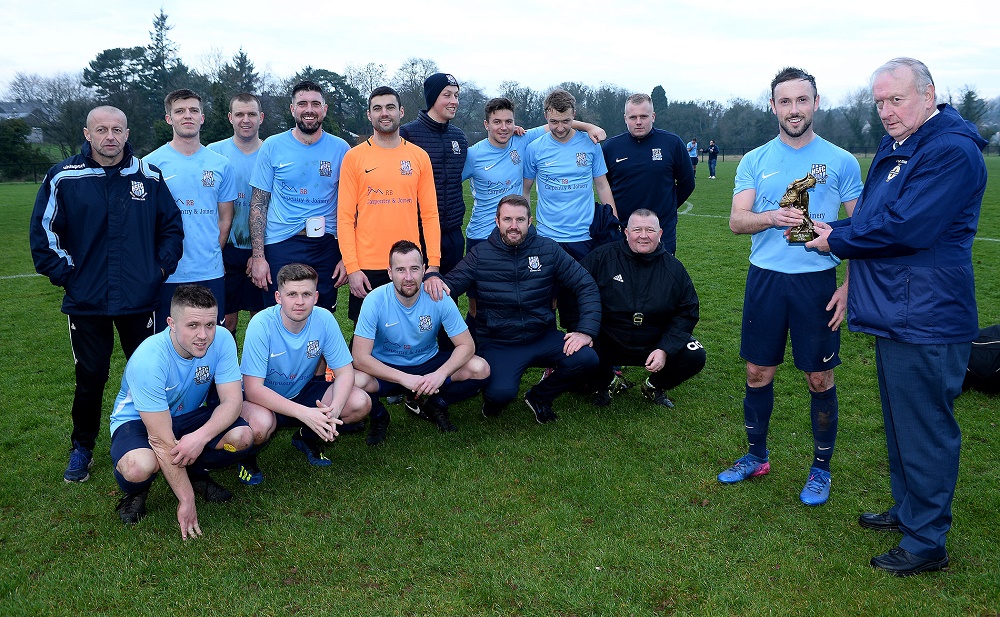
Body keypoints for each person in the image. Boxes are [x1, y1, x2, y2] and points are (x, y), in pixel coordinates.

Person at [808, 58, 987, 575]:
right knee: (900, 421)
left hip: (927, 313)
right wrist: (841, 229)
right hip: (894, 306)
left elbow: (908, 227)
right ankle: (909, 511)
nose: (886, 111)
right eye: (880, 102)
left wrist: (836, 239)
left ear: (929, 96)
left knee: (926, 426)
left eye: (897, 100)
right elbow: (874, 214)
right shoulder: (898, 145)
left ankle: (927, 540)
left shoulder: (950, 151)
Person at [719, 67, 862, 507]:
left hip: (817, 284)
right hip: (766, 279)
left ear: (816, 103)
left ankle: (821, 469)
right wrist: (770, 217)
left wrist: (848, 286)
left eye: (802, 100)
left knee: (818, 377)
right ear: (773, 106)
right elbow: (736, 220)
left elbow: (864, 229)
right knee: (757, 372)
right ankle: (756, 456)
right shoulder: (755, 160)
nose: (794, 109)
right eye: (785, 101)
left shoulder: (842, 160)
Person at [30, 105, 184, 483]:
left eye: (117, 129)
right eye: (101, 130)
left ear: (127, 133)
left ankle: (163, 441)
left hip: (139, 300)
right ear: (87, 133)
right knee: (91, 376)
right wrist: (70, 276)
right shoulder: (64, 177)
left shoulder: (147, 176)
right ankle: (82, 448)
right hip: (87, 302)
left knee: (149, 373)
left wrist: (157, 272)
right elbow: (44, 234)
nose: (110, 137)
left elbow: (172, 229)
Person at [425, 195, 601, 423]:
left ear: (530, 221)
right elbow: (448, 288)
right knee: (501, 394)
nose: (514, 226)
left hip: (542, 335)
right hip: (500, 342)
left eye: (520, 220)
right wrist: (432, 280)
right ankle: (493, 400)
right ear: (497, 221)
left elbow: (585, 284)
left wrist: (586, 331)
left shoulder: (548, 250)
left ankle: (539, 397)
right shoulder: (480, 255)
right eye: (507, 219)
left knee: (587, 358)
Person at [108, 284, 253, 537]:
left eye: (209, 325)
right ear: (171, 323)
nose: (204, 335)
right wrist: (186, 501)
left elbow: (232, 402)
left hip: (187, 417)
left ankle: (195, 473)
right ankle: (139, 490)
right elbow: (161, 440)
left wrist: (199, 437)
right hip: (139, 422)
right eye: (193, 325)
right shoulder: (150, 359)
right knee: (139, 466)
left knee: (242, 438)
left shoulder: (223, 339)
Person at [463, 97, 605, 315]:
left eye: (508, 121)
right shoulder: (473, 154)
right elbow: (448, 184)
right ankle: (474, 347)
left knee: (518, 297)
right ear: (486, 124)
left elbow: (558, 123)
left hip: (515, 233)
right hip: (482, 234)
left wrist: (589, 126)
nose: (503, 127)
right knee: (477, 303)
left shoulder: (522, 140)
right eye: (497, 122)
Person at [239, 264, 373, 480]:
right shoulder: (261, 324)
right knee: (260, 426)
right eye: (292, 294)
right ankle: (246, 457)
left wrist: (334, 412)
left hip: (301, 392)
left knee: (360, 402)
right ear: (278, 297)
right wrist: (305, 414)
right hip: (261, 400)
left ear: (316, 296)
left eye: (306, 294)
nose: (300, 301)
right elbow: (254, 390)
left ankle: (306, 437)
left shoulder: (324, 319)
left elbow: (346, 372)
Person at [352, 241, 490, 444]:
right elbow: (360, 357)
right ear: (390, 272)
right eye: (400, 270)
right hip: (387, 368)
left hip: (428, 363)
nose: (408, 277)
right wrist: (403, 379)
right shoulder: (375, 300)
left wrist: (440, 374)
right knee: (353, 382)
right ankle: (380, 416)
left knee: (480, 368)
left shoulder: (437, 296)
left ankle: (436, 403)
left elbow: (467, 345)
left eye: (414, 269)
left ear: (424, 270)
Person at [580, 209, 705, 408]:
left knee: (695, 354)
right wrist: (583, 331)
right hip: (609, 338)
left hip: (653, 342)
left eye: (650, 230)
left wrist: (665, 348)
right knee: (576, 351)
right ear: (626, 232)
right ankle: (607, 382)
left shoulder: (674, 269)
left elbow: (687, 311)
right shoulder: (601, 258)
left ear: (660, 234)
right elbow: (576, 294)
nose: (644, 236)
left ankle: (654, 386)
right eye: (637, 229)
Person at [338, 86, 440, 323]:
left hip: (408, 263)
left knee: (410, 331)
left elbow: (430, 214)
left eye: (390, 107)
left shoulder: (419, 156)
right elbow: (344, 217)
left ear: (401, 112)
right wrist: (352, 268)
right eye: (377, 108)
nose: (384, 113)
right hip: (367, 265)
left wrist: (432, 264)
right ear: (369, 115)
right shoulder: (354, 157)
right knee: (367, 340)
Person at [248, 80, 351, 313]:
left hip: (325, 245)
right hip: (281, 243)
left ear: (324, 109)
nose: (309, 109)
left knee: (322, 316)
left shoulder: (341, 149)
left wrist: (347, 258)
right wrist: (258, 257)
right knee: (279, 314)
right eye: (302, 103)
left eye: (316, 104)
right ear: (292, 109)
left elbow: (351, 207)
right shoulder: (273, 146)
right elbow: (258, 205)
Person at [145, 89, 236, 331]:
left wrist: (212, 253)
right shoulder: (150, 164)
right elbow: (147, 221)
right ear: (169, 119)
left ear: (202, 117)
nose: (188, 116)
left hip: (210, 271)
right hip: (169, 272)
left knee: (209, 338)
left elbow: (225, 218)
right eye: (180, 111)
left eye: (194, 110)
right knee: (168, 341)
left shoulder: (220, 164)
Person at [522, 89, 616, 260]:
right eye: (554, 122)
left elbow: (602, 186)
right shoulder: (534, 148)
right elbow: (525, 190)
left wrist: (614, 222)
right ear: (545, 116)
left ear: (574, 114)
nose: (560, 127)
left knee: (584, 286)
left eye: (566, 121)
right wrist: (526, 225)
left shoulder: (591, 144)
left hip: (585, 235)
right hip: (547, 236)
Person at [602, 93, 695, 255]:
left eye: (643, 116)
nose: (638, 122)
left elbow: (687, 183)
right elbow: (605, 187)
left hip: (661, 230)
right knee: (623, 279)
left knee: (662, 279)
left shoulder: (672, 143)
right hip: (623, 232)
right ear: (625, 118)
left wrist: (667, 208)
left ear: (653, 116)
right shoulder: (610, 147)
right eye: (633, 117)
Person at [207, 92, 266, 334]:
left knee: (260, 321)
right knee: (224, 322)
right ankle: (226, 372)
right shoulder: (213, 152)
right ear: (230, 117)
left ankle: (256, 371)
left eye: (251, 114)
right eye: (240, 114)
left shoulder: (271, 151)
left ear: (261, 117)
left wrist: (258, 252)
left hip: (262, 249)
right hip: (225, 248)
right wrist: (215, 251)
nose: (246, 119)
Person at [399, 73, 467, 275]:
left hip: (452, 233)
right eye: (447, 95)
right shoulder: (407, 135)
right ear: (432, 98)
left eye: (456, 95)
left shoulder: (459, 137)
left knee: (447, 296)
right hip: (417, 233)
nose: (454, 101)